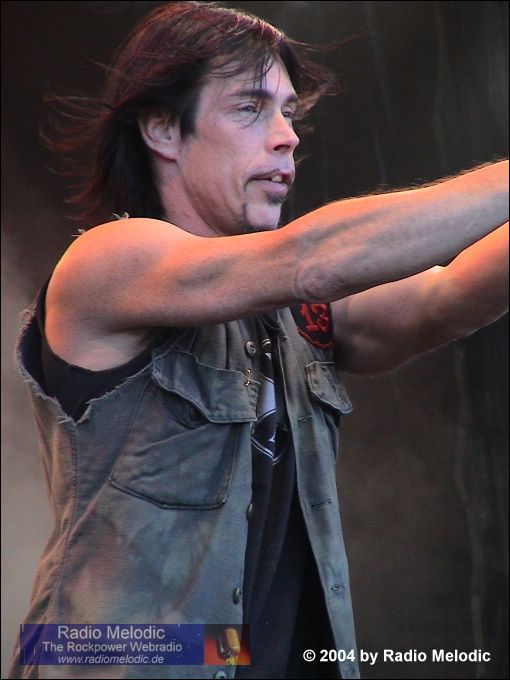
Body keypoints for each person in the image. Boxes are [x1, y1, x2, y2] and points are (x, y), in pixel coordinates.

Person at [9, 2, 508, 679]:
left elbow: (445, 299)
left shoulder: (293, 309)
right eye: (250, 108)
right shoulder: (108, 260)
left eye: (290, 114)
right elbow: (312, 260)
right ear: (162, 128)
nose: (286, 137)